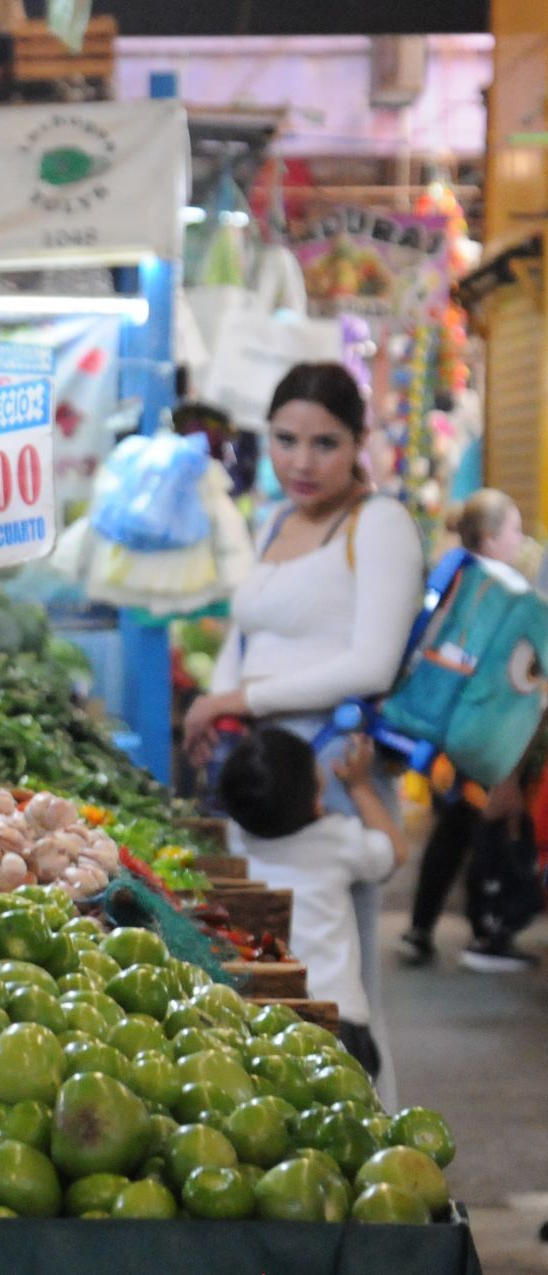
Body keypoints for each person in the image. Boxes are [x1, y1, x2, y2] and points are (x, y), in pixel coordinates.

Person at [180, 361, 425, 1108]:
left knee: (343, 989)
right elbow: (247, 632)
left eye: (325, 442)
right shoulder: (275, 519)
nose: (301, 461)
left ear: (358, 442)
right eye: (285, 439)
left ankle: (384, 1157)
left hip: (333, 782)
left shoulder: (379, 524)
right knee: (267, 976)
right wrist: (217, 710)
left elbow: (370, 663)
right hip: (255, 779)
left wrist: (235, 696)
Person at [217, 729, 409, 1078]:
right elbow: (394, 852)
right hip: (338, 1020)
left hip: (263, 1018)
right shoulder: (336, 839)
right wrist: (360, 786)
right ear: (317, 803)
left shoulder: (233, 838)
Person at [404, 488, 541, 971]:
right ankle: (488, 932)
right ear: (490, 537)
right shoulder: (504, 594)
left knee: (455, 828)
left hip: (448, 735)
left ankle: (423, 926)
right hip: (483, 736)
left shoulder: (458, 578)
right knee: (484, 826)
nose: (521, 539)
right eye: (514, 530)